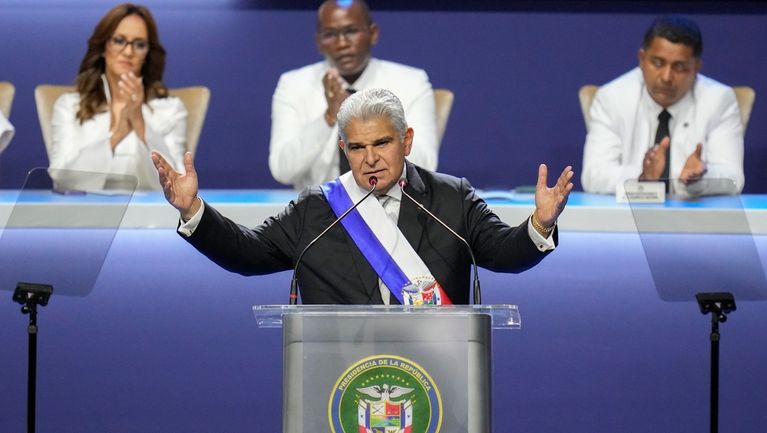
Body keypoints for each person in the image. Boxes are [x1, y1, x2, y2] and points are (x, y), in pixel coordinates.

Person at [153, 88, 574, 305]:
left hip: (434, 374)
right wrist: (193, 210)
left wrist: (539, 225)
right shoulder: (317, 208)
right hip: (340, 374)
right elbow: (249, 254)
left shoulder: (451, 199)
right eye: (357, 148)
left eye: (382, 144)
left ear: (406, 141)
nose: (370, 159)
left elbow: (503, 253)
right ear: (343, 150)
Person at [269, 0, 439, 190]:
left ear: (373, 33)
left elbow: (425, 164)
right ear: (318, 42)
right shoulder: (293, 84)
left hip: (391, 205)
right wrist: (329, 117)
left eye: (351, 31)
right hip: (318, 209)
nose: (342, 43)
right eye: (330, 34)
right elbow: (282, 170)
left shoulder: (411, 81)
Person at [581, 16, 744, 196]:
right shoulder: (612, 98)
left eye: (680, 67)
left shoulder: (718, 100)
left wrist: (701, 176)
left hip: (695, 219)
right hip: (628, 218)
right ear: (642, 59)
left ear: (697, 67)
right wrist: (643, 177)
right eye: (657, 63)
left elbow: (734, 177)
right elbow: (593, 175)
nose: (666, 77)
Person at [50, 3, 186, 190]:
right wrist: (117, 135)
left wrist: (140, 126)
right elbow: (62, 180)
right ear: (103, 47)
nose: (128, 52)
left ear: (147, 53)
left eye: (139, 44)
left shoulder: (171, 110)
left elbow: (177, 185)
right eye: (119, 40)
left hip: (150, 215)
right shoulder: (70, 106)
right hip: (86, 213)